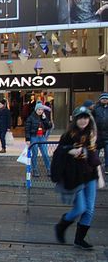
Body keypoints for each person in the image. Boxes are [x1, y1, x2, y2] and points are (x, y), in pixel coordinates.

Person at [53, 106, 101, 250]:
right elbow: (58, 153)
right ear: (75, 120)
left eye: (85, 117)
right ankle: (61, 226)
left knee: (89, 209)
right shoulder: (68, 135)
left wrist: (100, 175)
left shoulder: (91, 135)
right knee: (80, 208)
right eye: (80, 118)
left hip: (90, 175)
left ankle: (79, 240)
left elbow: (94, 157)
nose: (83, 121)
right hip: (75, 176)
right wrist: (70, 150)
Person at [25, 102, 53, 177]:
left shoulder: (43, 117)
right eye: (39, 109)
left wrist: (45, 119)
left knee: (45, 154)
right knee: (34, 154)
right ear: (36, 110)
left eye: (41, 109)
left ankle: (49, 169)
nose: (40, 111)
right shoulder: (31, 118)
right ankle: (35, 170)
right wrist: (27, 139)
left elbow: (48, 127)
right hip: (34, 137)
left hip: (42, 137)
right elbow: (27, 129)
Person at [94, 93, 108, 170]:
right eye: (103, 98)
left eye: (106, 98)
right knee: (95, 153)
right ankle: (95, 167)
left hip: (107, 135)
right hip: (97, 135)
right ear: (100, 99)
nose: (105, 99)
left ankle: (107, 167)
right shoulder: (96, 108)